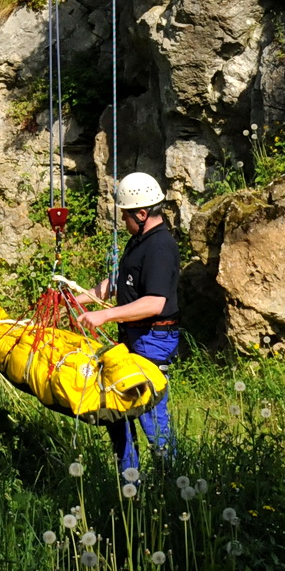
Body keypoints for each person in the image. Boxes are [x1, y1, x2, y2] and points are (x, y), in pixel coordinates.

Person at [79, 172, 179, 474]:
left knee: (149, 415)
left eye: (125, 215)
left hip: (153, 339)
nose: (123, 221)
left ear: (142, 213)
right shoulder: (140, 241)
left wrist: (106, 314)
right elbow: (119, 283)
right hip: (134, 337)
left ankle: (172, 481)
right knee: (116, 409)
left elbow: (154, 303)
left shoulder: (160, 247)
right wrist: (78, 299)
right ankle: (130, 481)